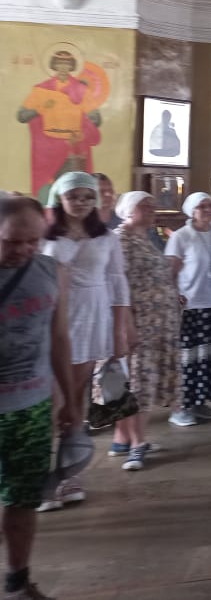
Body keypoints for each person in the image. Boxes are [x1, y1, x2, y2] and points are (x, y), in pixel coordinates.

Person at [0, 195, 80, 600]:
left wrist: (70, 400)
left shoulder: (52, 271)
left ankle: (17, 579)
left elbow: (59, 338)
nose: (24, 250)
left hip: (31, 406)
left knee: (23, 498)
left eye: (33, 240)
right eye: (12, 242)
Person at [40, 172, 131, 511]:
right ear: (59, 199)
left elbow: (117, 282)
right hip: (56, 315)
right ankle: (39, 477)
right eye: (74, 196)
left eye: (87, 197)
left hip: (93, 314)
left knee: (77, 398)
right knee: (52, 400)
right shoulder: (45, 236)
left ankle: (68, 475)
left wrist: (121, 329)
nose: (81, 202)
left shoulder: (106, 237)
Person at [108, 191, 181, 471]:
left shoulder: (146, 238)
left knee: (141, 382)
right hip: (139, 324)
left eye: (153, 205)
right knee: (139, 384)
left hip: (157, 322)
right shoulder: (121, 239)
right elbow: (118, 286)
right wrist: (126, 324)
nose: (153, 209)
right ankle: (137, 445)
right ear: (127, 211)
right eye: (145, 205)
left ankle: (123, 440)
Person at [164, 192, 211, 428]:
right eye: (201, 207)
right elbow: (171, 273)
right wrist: (174, 299)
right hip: (192, 305)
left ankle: (199, 402)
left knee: (210, 356)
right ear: (192, 211)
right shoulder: (182, 236)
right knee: (189, 358)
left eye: (209, 206)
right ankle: (180, 408)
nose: (207, 210)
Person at [17, 48, 104, 202]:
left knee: (72, 189)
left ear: (71, 66)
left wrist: (84, 126)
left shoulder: (81, 90)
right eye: (59, 63)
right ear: (54, 66)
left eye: (66, 64)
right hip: (46, 149)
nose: (63, 67)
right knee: (49, 191)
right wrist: (41, 107)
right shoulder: (42, 90)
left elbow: (96, 119)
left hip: (71, 147)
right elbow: (22, 116)